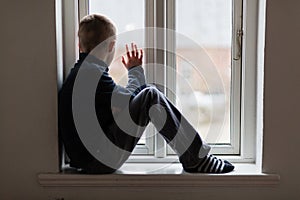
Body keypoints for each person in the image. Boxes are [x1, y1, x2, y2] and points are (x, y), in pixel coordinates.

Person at [58, 14, 234, 174]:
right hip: (98, 160)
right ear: (112, 46)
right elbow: (130, 100)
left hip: (88, 159)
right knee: (150, 95)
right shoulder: (91, 73)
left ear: (79, 45)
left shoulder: (81, 72)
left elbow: (114, 105)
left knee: (146, 94)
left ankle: (196, 157)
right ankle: (197, 159)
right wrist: (135, 70)